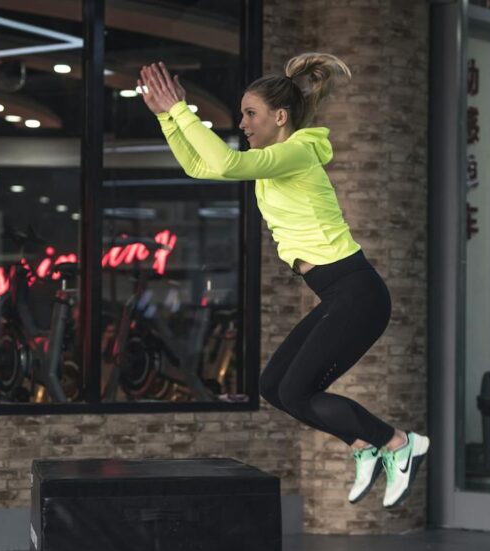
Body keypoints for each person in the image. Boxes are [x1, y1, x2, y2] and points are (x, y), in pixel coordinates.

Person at [137, 54, 429, 508]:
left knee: (297, 391)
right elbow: (204, 167)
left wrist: (180, 110)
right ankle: (364, 444)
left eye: (250, 113)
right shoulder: (270, 163)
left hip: (357, 294)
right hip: (339, 294)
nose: (243, 123)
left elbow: (227, 163)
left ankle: (398, 443)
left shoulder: (295, 154)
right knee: (273, 387)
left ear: (280, 116)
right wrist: (168, 121)